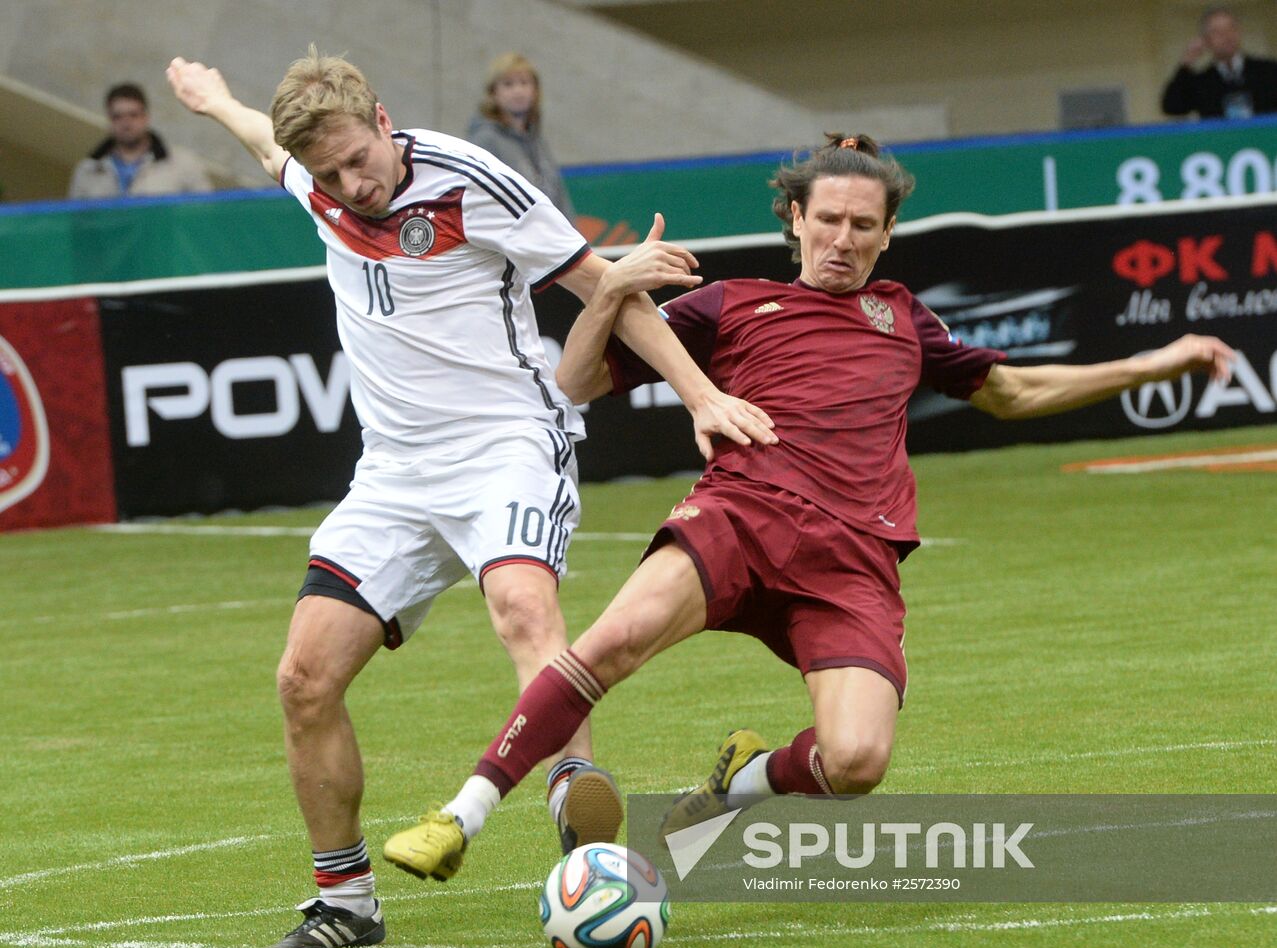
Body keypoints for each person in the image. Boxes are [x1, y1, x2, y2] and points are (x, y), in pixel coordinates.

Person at [390, 133, 1236, 877]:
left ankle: (737, 783)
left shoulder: (902, 318)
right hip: (739, 518)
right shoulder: (729, 306)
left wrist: (1155, 361)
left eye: (862, 226)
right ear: (794, 217)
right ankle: (459, 815)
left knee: (857, 760)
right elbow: (574, 382)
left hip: (852, 561)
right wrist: (612, 287)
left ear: (886, 233)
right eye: (826, 220)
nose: (842, 240)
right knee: (606, 648)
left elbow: (1012, 392)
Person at [164, 47, 774, 948]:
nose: (347, 185)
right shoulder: (319, 179)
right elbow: (266, 147)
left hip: (507, 445)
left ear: (381, 118)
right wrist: (216, 101)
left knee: (522, 607)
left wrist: (699, 395)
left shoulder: (473, 179)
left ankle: (575, 795)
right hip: (394, 473)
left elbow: (606, 284)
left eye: (355, 161)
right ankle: (348, 903)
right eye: (326, 174)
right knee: (303, 679)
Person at [466, 53, 575, 220]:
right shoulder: (485, 140)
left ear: (535, 90)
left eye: (524, 83)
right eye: (508, 84)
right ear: (493, 93)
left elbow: (558, 196)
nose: (518, 91)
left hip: (549, 237)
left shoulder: (537, 140)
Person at [68, 83, 213, 199]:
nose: (126, 123)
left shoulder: (184, 165)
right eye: (118, 117)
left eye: (133, 115)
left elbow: (205, 215)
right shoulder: (88, 170)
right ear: (109, 120)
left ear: (146, 117)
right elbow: (77, 225)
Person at [1161, 6, 1277, 119]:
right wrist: (1186, 63)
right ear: (1206, 39)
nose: (1227, 36)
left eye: (1231, 28)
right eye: (1217, 32)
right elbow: (1171, 107)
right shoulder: (1202, 82)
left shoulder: (1268, 71)